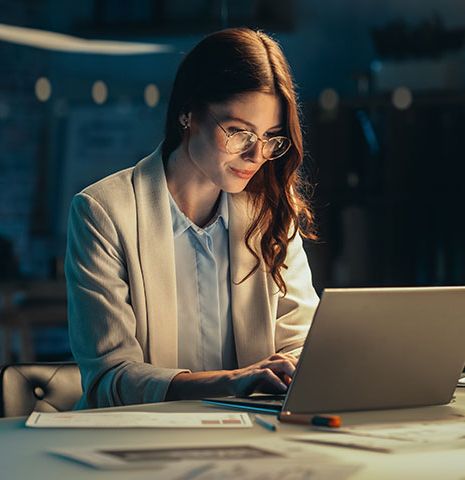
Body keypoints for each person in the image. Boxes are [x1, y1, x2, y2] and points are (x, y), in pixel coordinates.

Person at [65, 28, 319, 408]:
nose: (256, 155)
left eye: (270, 137)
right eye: (239, 132)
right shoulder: (103, 213)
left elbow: (302, 343)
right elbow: (110, 379)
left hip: (251, 434)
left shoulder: (272, 214)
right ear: (188, 113)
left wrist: (300, 366)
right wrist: (230, 382)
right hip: (140, 436)